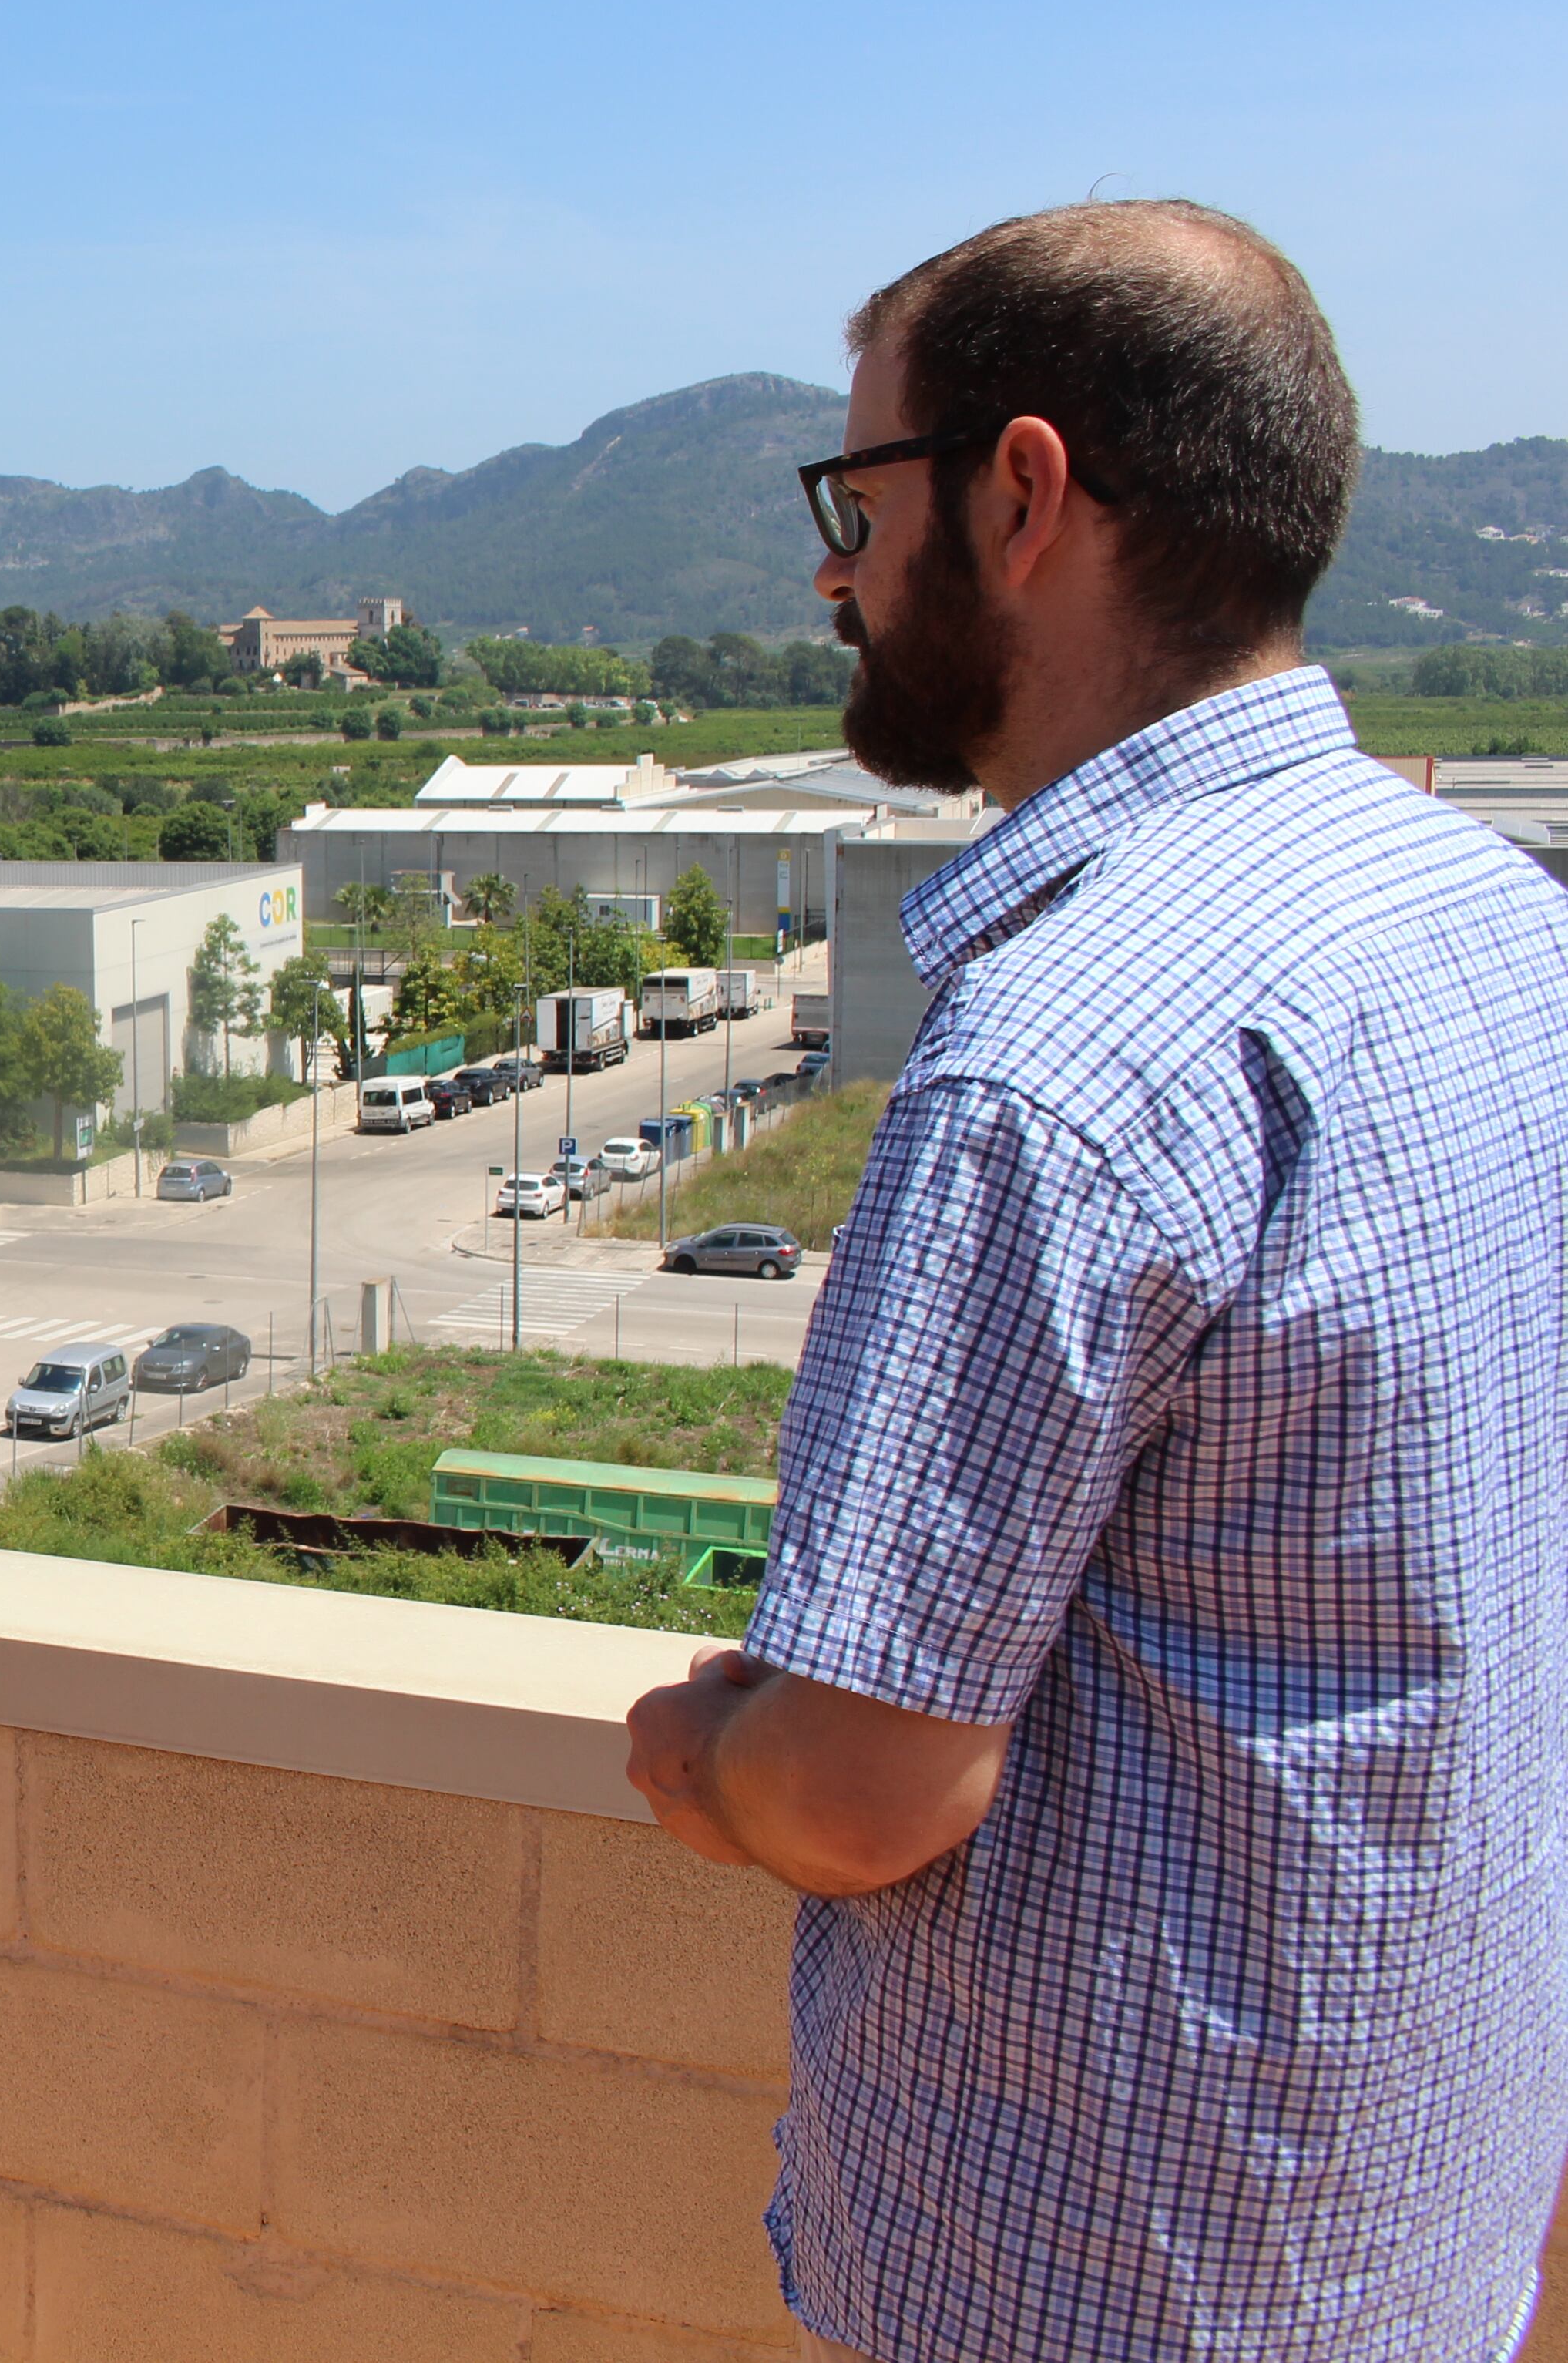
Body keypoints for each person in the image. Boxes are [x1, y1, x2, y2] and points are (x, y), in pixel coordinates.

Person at [625, 200, 1568, 2362]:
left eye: (857, 500)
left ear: (1023, 492)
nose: (835, 574)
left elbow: (863, 1789)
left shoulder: (1063, 1051)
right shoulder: (1493, 917)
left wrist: (697, 1743)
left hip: (1117, 2280)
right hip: (1419, 2219)